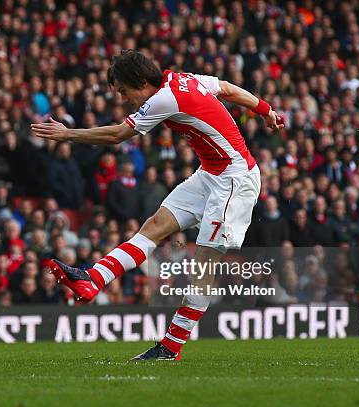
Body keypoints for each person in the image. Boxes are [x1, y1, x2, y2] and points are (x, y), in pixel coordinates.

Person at [31, 50, 284, 361]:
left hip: (235, 181)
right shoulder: (185, 79)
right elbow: (228, 89)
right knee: (153, 227)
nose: (124, 99)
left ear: (139, 82)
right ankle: (92, 279)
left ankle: (171, 347)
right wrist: (266, 109)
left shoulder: (164, 98)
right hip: (210, 173)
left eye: (123, 91)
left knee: (204, 266)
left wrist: (67, 134)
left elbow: (117, 135)